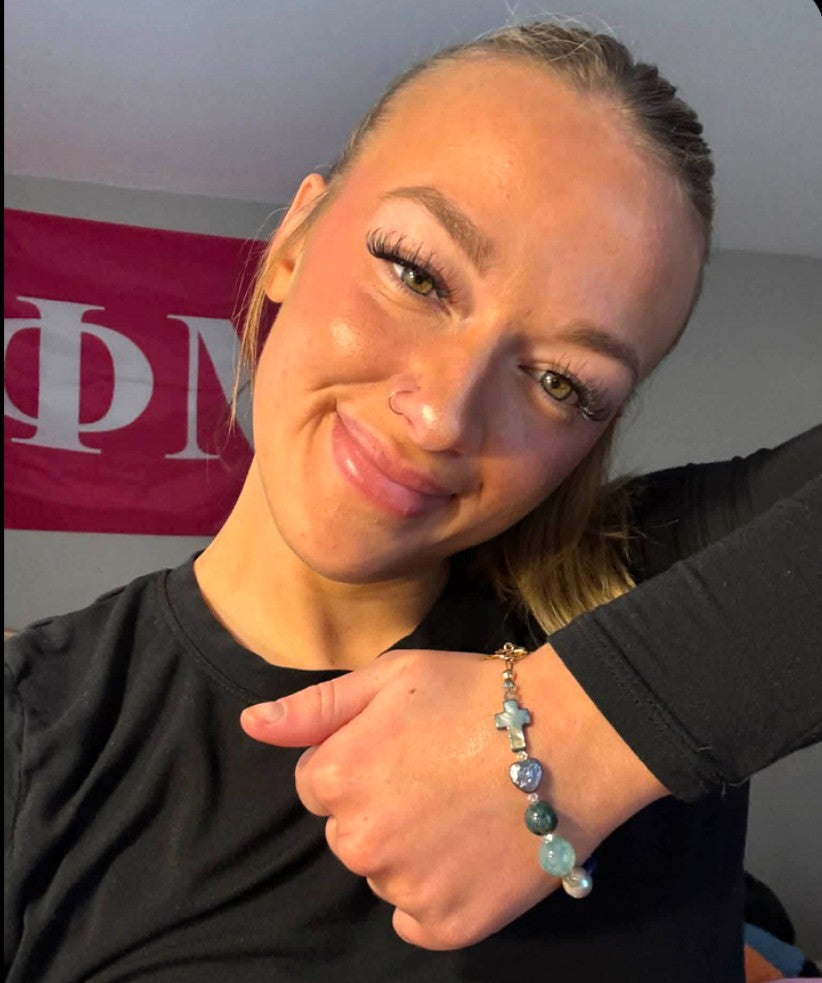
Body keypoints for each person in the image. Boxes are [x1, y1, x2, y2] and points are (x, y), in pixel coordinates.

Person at [4, 21, 820, 983]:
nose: (441, 415)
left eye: (560, 381)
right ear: (295, 240)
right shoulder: (35, 733)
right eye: (418, 274)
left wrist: (581, 731)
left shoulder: (650, 587)